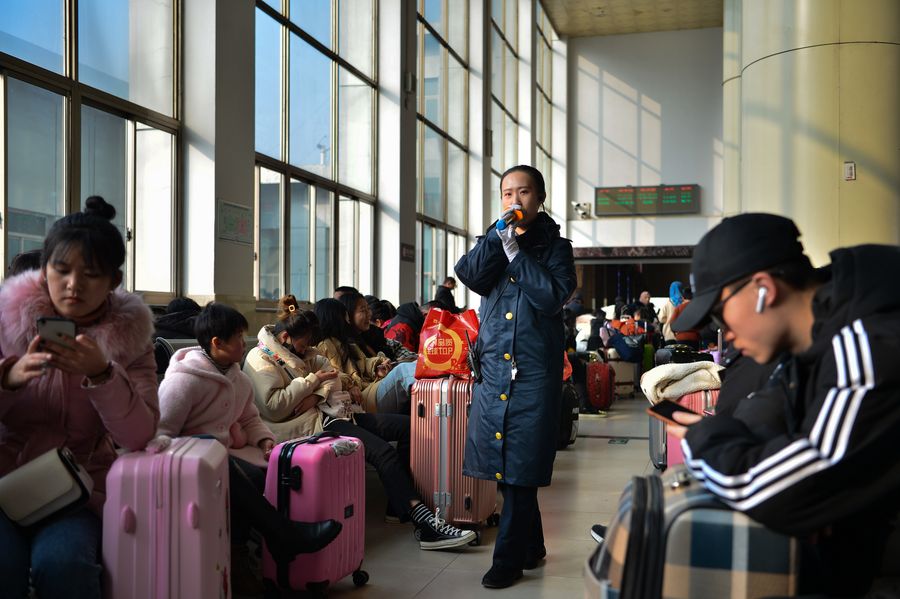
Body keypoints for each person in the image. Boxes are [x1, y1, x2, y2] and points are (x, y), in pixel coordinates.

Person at [669, 213, 900, 596]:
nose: (723, 332)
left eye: (719, 313)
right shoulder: (810, 347)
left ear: (764, 289)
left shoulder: (869, 342)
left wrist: (703, 438)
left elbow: (774, 490)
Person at [0, 197, 159, 599]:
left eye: (91, 274)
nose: (73, 285)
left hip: (75, 490)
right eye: (62, 269)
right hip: (4, 481)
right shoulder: (5, 320)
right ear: (44, 270)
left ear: (113, 280)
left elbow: (138, 436)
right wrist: (9, 379)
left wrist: (103, 375)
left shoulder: (131, 339)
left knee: (64, 564)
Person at [243, 294, 477, 551]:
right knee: (383, 452)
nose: (308, 347)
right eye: (304, 342)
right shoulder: (260, 358)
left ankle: (399, 502)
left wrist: (315, 394)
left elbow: (333, 376)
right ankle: (424, 524)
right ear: (286, 337)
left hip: (334, 412)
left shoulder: (309, 349)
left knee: (411, 427)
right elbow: (275, 407)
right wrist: (313, 382)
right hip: (312, 425)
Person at [154, 302, 342, 595]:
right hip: (188, 463)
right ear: (217, 343)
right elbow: (162, 434)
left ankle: (251, 553)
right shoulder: (183, 381)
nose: (245, 344)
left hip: (222, 456)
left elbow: (250, 419)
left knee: (262, 474)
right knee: (240, 476)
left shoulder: (237, 378)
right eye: (238, 338)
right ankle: (282, 537)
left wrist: (264, 439)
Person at [455, 165, 577, 589]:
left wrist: (517, 256)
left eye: (523, 192)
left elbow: (551, 297)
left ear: (539, 198)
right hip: (494, 372)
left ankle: (507, 561)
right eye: (507, 193)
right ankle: (532, 546)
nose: (514, 201)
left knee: (522, 469)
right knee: (508, 471)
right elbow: (469, 274)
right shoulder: (494, 238)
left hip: (534, 374)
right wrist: (496, 240)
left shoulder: (557, 249)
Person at [315, 298, 417, 415]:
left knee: (412, 365)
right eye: (345, 317)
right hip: (361, 397)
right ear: (336, 318)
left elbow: (364, 362)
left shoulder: (346, 342)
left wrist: (377, 367)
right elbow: (333, 373)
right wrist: (350, 386)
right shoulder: (325, 345)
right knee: (402, 372)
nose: (348, 321)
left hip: (369, 387)